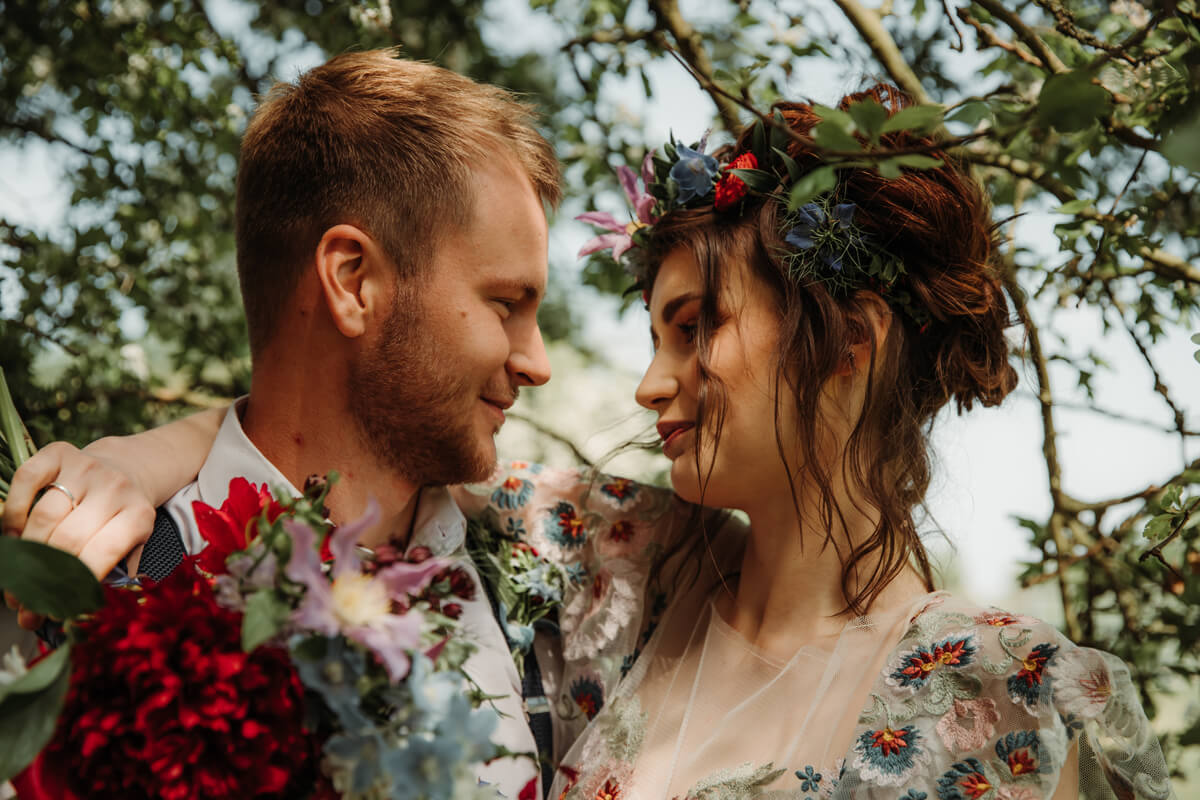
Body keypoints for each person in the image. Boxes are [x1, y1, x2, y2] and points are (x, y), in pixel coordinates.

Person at [6, 84, 1174, 799]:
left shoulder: (1020, 697)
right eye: (653, 329)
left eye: (694, 326)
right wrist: (139, 456)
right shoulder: (616, 570)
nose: (648, 382)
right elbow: (312, 452)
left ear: (849, 344)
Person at [1, 47, 725, 800]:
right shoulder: (82, 581)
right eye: (506, 303)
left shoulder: (556, 554)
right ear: (353, 281)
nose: (537, 362)